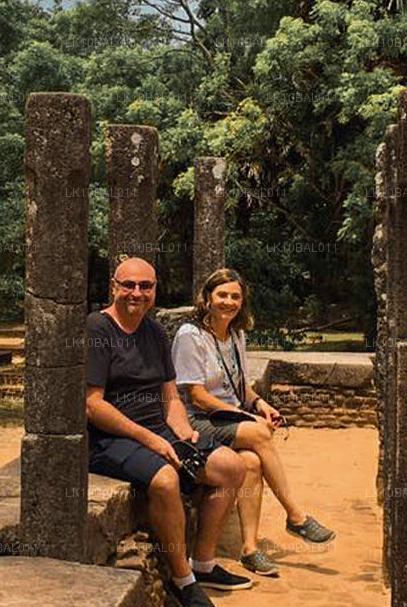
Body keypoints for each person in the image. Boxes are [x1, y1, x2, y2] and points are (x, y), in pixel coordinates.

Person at [86, 257, 252, 607]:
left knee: (232, 468)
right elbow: (93, 405)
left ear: (154, 290)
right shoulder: (97, 329)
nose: (136, 293)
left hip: (159, 429)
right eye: (128, 285)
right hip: (110, 437)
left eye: (145, 286)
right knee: (165, 480)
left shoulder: (155, 331)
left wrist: (180, 431)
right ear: (114, 287)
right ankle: (183, 579)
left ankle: (203, 561)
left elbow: (170, 394)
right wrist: (151, 439)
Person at [172, 268, 335, 577]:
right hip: (197, 421)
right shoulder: (190, 336)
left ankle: (250, 548)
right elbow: (197, 396)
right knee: (260, 433)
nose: (228, 302)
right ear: (207, 299)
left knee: (251, 463)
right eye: (222, 295)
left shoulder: (236, 334)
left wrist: (261, 404)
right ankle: (296, 516)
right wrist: (247, 417)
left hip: (228, 418)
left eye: (235, 296)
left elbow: (240, 387)